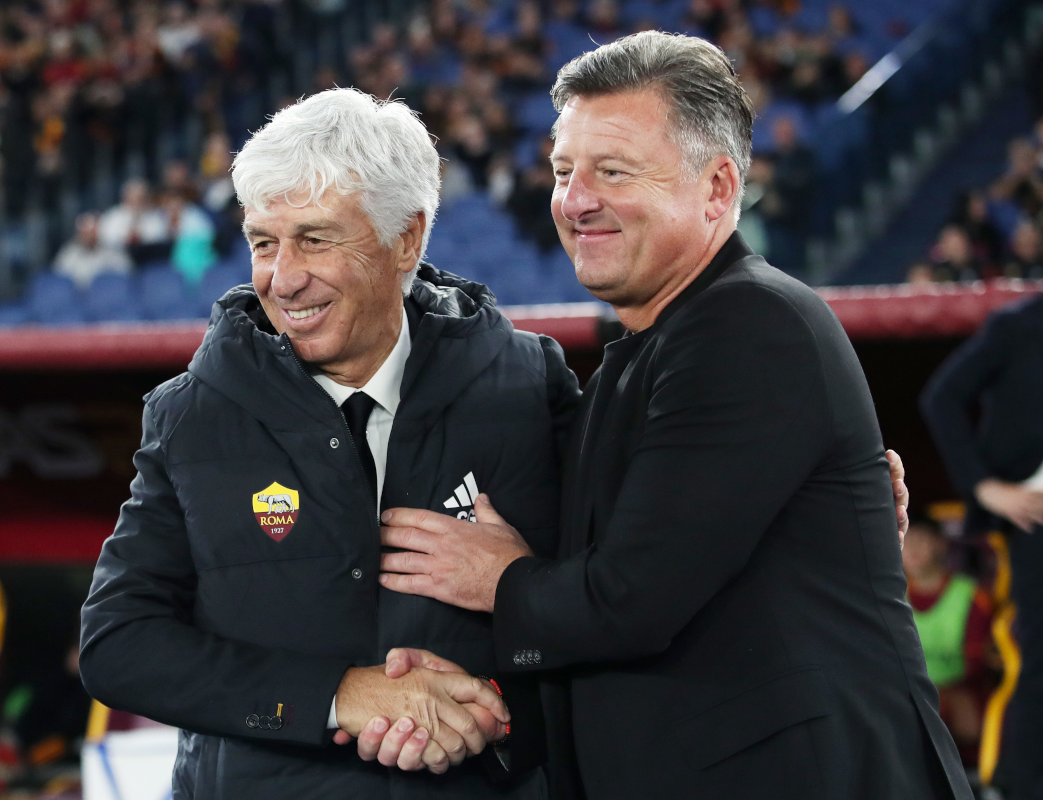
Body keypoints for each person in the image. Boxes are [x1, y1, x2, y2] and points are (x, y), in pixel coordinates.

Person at [376, 31, 969, 800]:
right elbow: (681, 617)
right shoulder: (649, 351)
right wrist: (488, 702)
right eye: (563, 171)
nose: (574, 199)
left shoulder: (749, 328)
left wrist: (503, 578)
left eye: (612, 171)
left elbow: (632, 601)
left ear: (718, 189)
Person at [78, 88, 580, 798]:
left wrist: (497, 707)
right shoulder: (193, 415)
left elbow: (611, 614)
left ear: (406, 237)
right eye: (263, 243)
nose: (283, 279)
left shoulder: (530, 389)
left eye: (314, 239)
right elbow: (118, 647)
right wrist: (339, 696)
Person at [921, 293, 1043, 799]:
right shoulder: (1018, 326)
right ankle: (1015, 784)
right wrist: (983, 485)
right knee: (1038, 654)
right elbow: (941, 397)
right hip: (1034, 519)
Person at [901, 517, 996, 764]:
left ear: (941, 544)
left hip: (962, 698)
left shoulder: (972, 596)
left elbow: (979, 666)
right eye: (904, 540)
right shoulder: (890, 596)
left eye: (920, 539)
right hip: (907, 699)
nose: (912, 548)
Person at [52, 213, 132, 290]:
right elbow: (59, 281)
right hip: (77, 299)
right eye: (85, 232)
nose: (89, 236)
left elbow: (126, 277)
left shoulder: (114, 253)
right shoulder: (68, 254)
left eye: (92, 231)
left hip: (106, 298)